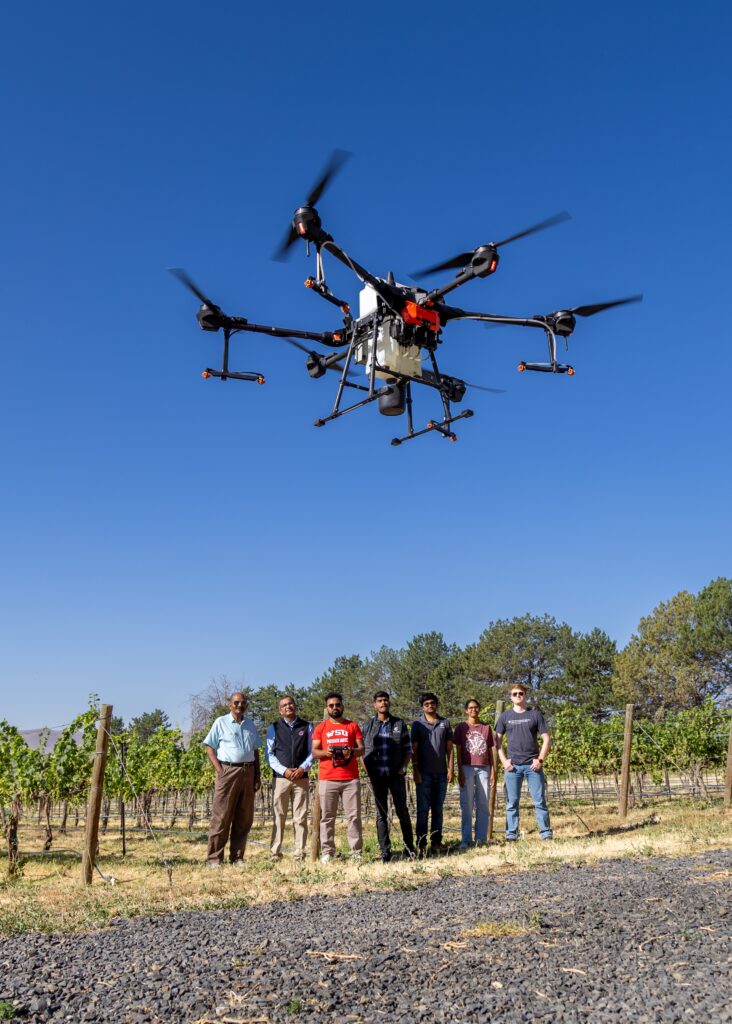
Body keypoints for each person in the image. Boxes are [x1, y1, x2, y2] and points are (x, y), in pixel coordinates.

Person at [203, 692, 262, 866]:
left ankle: (237, 857)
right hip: (228, 771)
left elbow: (255, 751)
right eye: (236, 702)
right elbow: (209, 747)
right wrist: (220, 770)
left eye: (243, 703)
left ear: (246, 706)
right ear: (230, 705)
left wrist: (257, 774)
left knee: (244, 817)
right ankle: (214, 858)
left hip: (248, 771)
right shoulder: (220, 722)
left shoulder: (250, 724)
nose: (239, 705)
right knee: (221, 816)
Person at [361, 691, 416, 862]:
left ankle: (410, 849)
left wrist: (403, 768)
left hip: (395, 775)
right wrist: (368, 771)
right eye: (379, 700)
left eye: (385, 700)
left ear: (389, 702)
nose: (383, 703)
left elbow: (408, 750)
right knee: (381, 814)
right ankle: (385, 851)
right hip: (377, 775)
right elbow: (361, 751)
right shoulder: (367, 726)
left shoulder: (399, 723)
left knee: (402, 811)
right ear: (374, 704)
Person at [312, 692, 365, 864]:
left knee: (354, 816)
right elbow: (314, 752)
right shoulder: (321, 728)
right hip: (328, 778)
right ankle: (327, 852)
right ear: (327, 708)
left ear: (342, 706)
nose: (335, 708)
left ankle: (356, 852)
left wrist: (351, 751)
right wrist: (326, 753)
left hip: (350, 778)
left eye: (337, 704)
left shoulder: (352, 726)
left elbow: (361, 749)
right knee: (327, 817)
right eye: (331, 705)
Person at [495, 686, 552, 841]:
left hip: (533, 766)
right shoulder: (505, 717)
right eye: (515, 694)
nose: (518, 695)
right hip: (512, 767)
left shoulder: (535, 714)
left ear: (526, 696)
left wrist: (540, 759)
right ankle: (511, 835)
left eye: (521, 693)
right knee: (511, 803)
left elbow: (546, 738)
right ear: (511, 697)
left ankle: (546, 834)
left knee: (539, 801)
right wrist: (504, 761)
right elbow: (497, 741)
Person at [265, 695, 313, 860]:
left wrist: (302, 768)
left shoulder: (307, 726)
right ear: (280, 710)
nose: (288, 706)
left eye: (290, 703)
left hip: (301, 778)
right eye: (284, 705)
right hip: (281, 778)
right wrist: (284, 770)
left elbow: (312, 751)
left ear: (295, 706)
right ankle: (275, 852)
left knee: (300, 816)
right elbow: (269, 754)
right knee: (278, 816)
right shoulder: (274, 728)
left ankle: (299, 852)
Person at [410, 692, 454, 855]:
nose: (430, 706)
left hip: (441, 774)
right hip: (424, 774)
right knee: (422, 811)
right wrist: (415, 770)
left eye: (432, 703)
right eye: (426, 704)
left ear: (436, 704)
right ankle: (421, 844)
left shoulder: (444, 723)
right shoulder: (417, 725)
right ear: (422, 707)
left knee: (438, 810)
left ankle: (436, 843)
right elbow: (413, 749)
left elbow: (450, 748)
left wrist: (451, 769)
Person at [454, 699, 496, 849]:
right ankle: (466, 840)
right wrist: (460, 771)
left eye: (476, 707)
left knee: (483, 804)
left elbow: (490, 751)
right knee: (467, 805)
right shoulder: (461, 728)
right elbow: (458, 751)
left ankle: (481, 839)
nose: (474, 710)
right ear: (466, 710)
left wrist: (493, 771)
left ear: (479, 709)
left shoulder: (486, 728)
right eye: (470, 707)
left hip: (484, 768)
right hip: (467, 768)